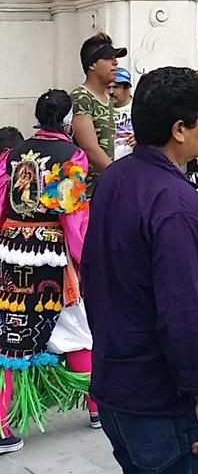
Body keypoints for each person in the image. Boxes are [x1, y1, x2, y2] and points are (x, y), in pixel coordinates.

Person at [82, 66, 198, 474]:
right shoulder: (174, 201)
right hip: (160, 400)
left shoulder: (114, 178)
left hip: (115, 385)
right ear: (180, 129)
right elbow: (183, 309)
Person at [0, 90, 93, 454]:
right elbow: (73, 215)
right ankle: (100, 406)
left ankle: (2, 424)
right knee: (79, 328)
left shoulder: (14, 153)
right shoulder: (72, 156)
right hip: (51, 258)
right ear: (67, 121)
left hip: (11, 253)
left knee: (10, 336)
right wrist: (85, 258)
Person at [72, 32, 126, 195]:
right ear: (92, 64)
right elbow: (90, 148)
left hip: (105, 186)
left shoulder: (107, 98)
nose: (115, 63)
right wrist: (120, 177)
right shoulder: (81, 97)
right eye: (109, 58)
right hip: (86, 193)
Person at [110, 66, 134, 160]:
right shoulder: (101, 108)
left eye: (116, 87)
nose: (111, 92)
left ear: (127, 88)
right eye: (108, 87)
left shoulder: (140, 107)